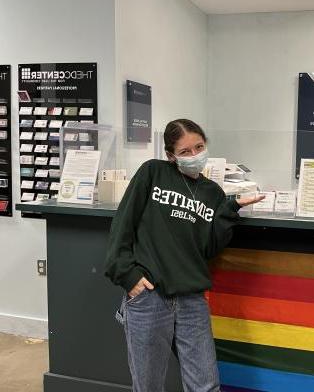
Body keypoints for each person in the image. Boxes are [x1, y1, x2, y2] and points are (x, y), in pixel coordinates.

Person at [104, 119, 263, 392]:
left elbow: (208, 248)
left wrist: (229, 209)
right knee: (148, 386)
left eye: (199, 147)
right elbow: (123, 224)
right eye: (185, 151)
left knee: (206, 385)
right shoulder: (153, 172)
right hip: (149, 297)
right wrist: (129, 276)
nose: (194, 156)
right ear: (170, 155)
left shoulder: (212, 192)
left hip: (192, 299)